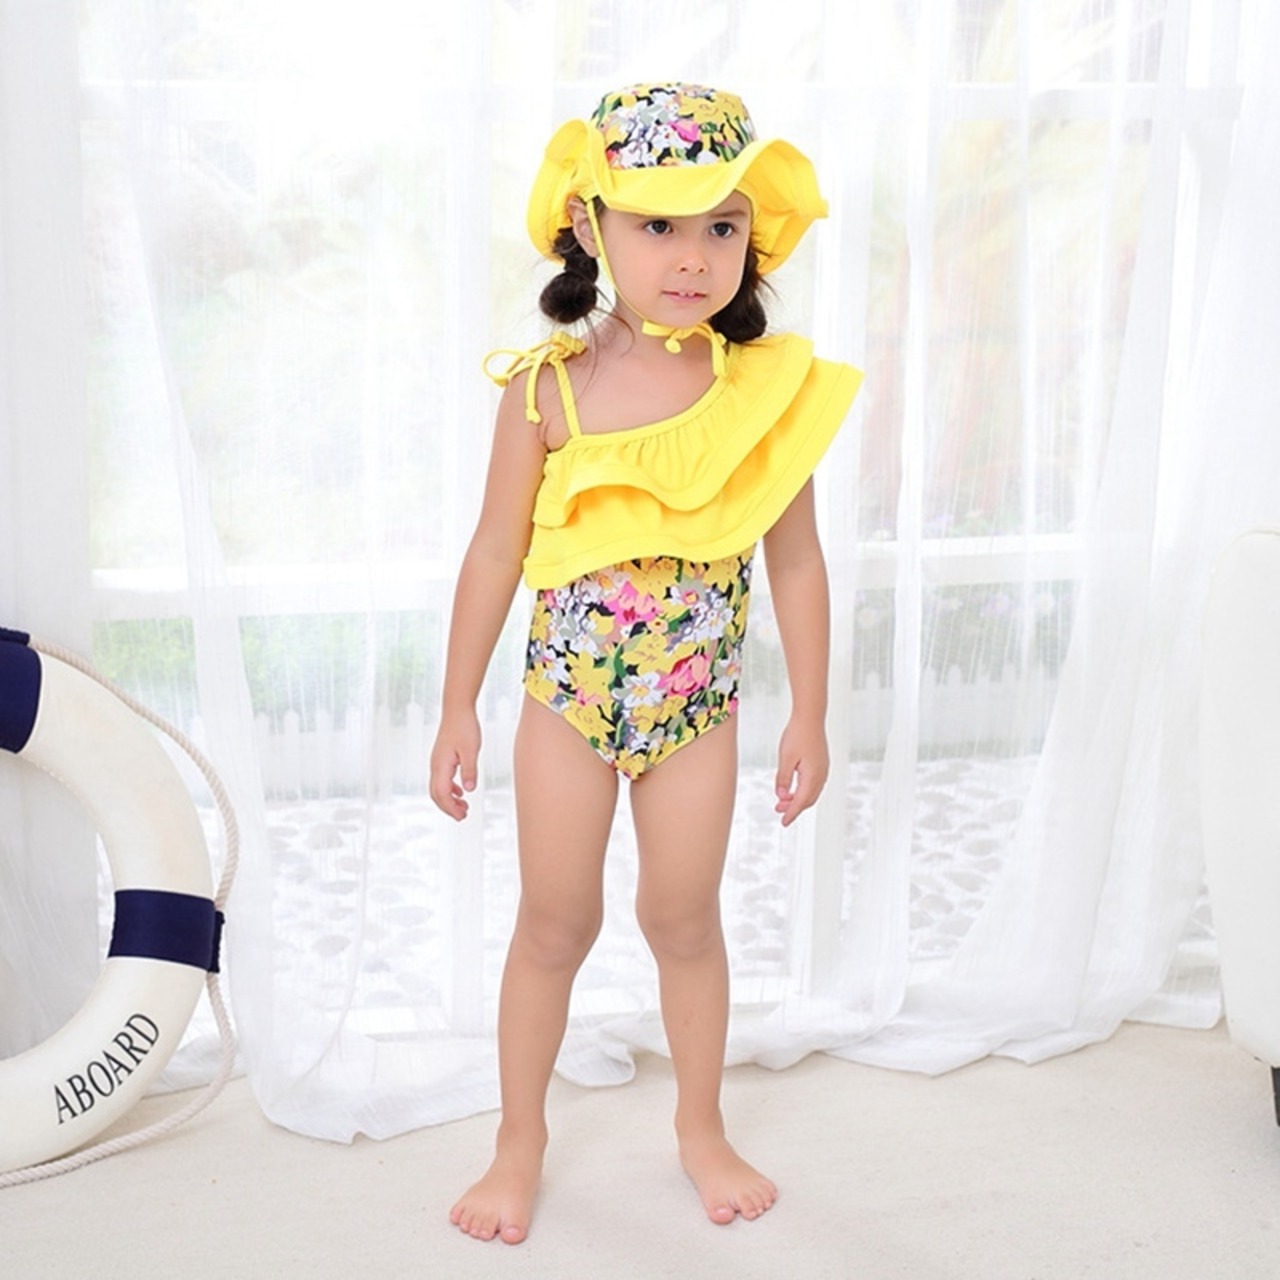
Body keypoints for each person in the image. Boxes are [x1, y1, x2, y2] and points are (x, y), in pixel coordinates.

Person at [429, 82, 862, 1244]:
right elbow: (492, 550)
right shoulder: (546, 389)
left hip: (695, 708)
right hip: (566, 703)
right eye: (657, 223)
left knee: (682, 915)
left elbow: (797, 562)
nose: (692, 255)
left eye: (720, 225)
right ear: (589, 225)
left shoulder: (759, 393)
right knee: (552, 920)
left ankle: (700, 1126)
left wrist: (809, 711)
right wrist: (456, 704)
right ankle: (517, 1139)